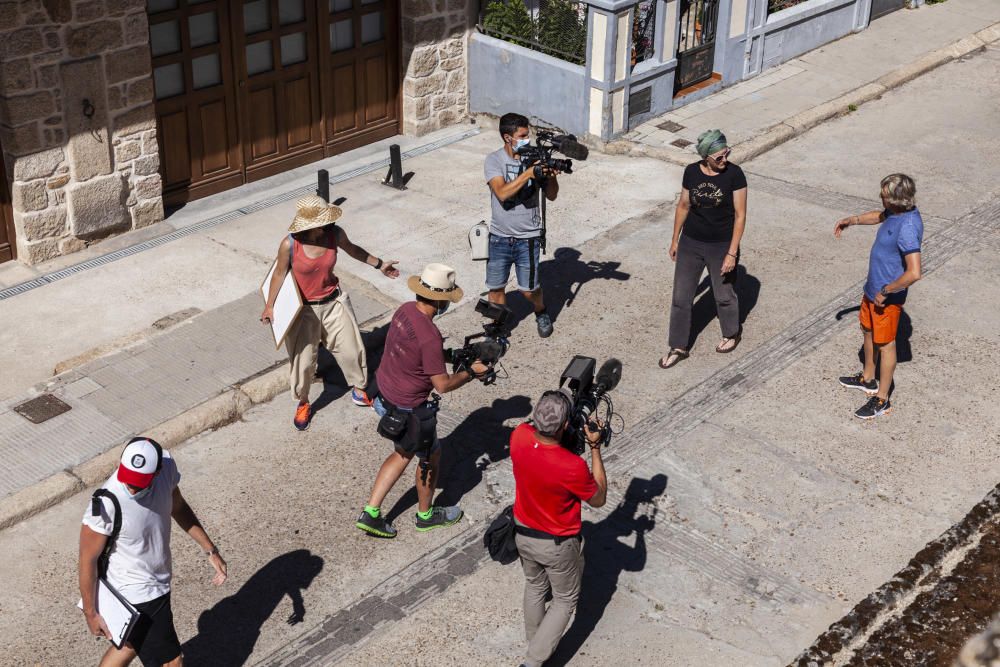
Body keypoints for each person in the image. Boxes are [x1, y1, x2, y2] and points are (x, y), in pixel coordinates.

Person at [355, 263, 489, 538]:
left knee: (404, 451)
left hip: (384, 395)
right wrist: (470, 373)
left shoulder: (404, 311)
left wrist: (450, 356)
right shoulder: (429, 335)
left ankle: (371, 513)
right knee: (427, 456)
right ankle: (424, 516)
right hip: (409, 409)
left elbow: (415, 352)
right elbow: (442, 384)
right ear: (440, 300)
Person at [79, 438, 228, 667]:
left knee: (129, 646)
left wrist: (210, 550)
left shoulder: (167, 468)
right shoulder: (106, 503)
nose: (131, 487)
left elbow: (177, 507)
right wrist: (90, 612)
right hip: (139, 592)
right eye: (128, 479)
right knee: (172, 662)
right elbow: (87, 559)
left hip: (157, 579)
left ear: (157, 471)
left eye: (139, 483)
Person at [261, 196, 399, 431]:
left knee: (351, 349)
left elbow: (353, 250)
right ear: (309, 225)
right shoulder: (289, 245)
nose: (328, 226)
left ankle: (359, 389)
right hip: (303, 311)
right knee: (303, 363)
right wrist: (270, 305)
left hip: (333, 302)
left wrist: (380, 264)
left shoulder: (335, 234)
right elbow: (278, 273)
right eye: (323, 223)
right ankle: (303, 402)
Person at [509, 390, 607, 667]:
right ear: (565, 426)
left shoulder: (518, 436)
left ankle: (537, 641)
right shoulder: (571, 466)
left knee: (535, 585)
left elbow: (533, 427)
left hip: (523, 532)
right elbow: (598, 498)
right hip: (557, 543)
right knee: (565, 600)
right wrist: (595, 448)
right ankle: (532, 661)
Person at [834, 173, 923, 420]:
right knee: (867, 331)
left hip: (886, 298)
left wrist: (887, 291)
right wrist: (852, 220)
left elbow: (914, 272)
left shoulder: (907, 227)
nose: (880, 199)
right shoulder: (895, 213)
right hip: (871, 291)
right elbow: (878, 216)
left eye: (883, 196)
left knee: (886, 345)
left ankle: (882, 398)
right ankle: (868, 379)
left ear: (896, 200)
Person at [660, 129, 748, 368]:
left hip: (721, 244)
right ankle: (678, 346)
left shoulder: (735, 175)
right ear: (705, 157)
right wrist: (675, 239)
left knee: (723, 295)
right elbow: (683, 205)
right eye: (718, 157)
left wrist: (732, 252)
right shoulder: (691, 172)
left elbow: (740, 216)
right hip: (691, 242)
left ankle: (731, 333)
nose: (724, 160)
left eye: (726, 153)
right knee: (681, 297)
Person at [485, 112, 560, 338]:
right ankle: (497, 326)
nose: (528, 138)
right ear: (508, 138)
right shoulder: (494, 161)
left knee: (529, 289)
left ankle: (541, 310)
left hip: (528, 237)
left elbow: (552, 195)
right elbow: (501, 192)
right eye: (523, 135)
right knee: (496, 287)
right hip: (499, 236)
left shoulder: (535, 159)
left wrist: (551, 176)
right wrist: (529, 172)